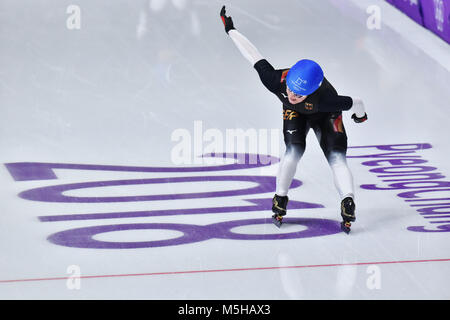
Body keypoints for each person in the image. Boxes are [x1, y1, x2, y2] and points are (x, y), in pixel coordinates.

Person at [219, 6, 368, 233]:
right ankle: (280, 197)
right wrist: (231, 30)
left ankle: (348, 201)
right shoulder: (275, 80)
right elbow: (253, 54)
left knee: (337, 158)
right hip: (296, 114)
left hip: (326, 114)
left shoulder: (327, 99)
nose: (291, 95)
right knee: (293, 151)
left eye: (298, 94)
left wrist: (360, 115)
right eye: (290, 90)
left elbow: (356, 101)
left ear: (311, 92)